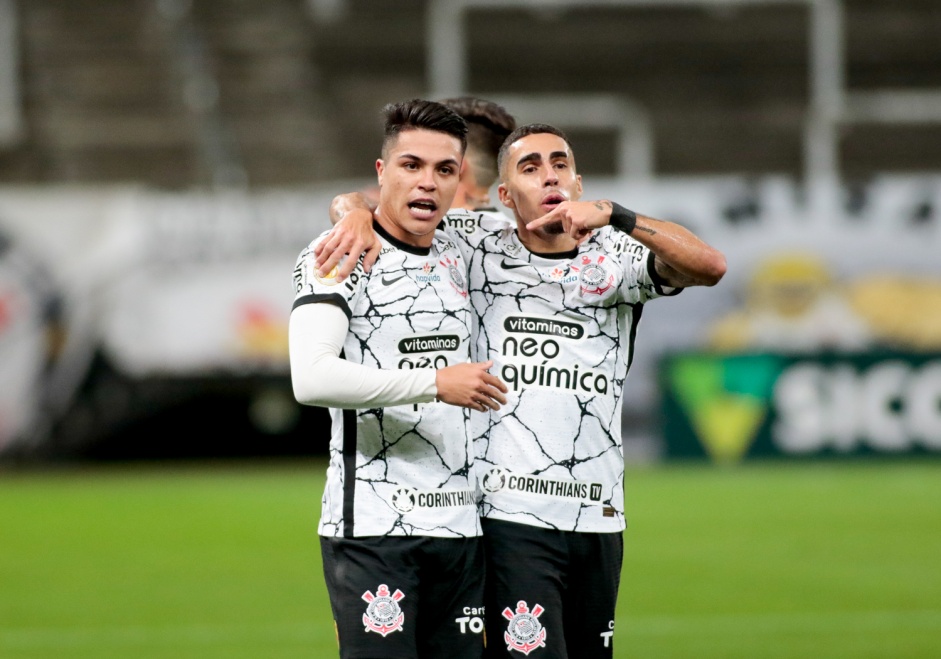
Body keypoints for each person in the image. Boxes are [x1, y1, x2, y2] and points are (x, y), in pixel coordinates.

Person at [318, 123, 727, 658]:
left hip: (599, 512)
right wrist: (351, 213)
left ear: (578, 183)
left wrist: (619, 215)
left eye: (560, 163)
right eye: (530, 167)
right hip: (512, 514)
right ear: (505, 198)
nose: (549, 174)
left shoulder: (617, 256)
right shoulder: (476, 241)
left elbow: (711, 266)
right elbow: (378, 204)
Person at [289, 98, 507, 659]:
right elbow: (311, 379)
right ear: (382, 172)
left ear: (460, 182)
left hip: (462, 528)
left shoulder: (467, 247)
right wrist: (435, 383)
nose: (427, 183)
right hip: (373, 529)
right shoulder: (337, 252)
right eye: (411, 165)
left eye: (443, 170)